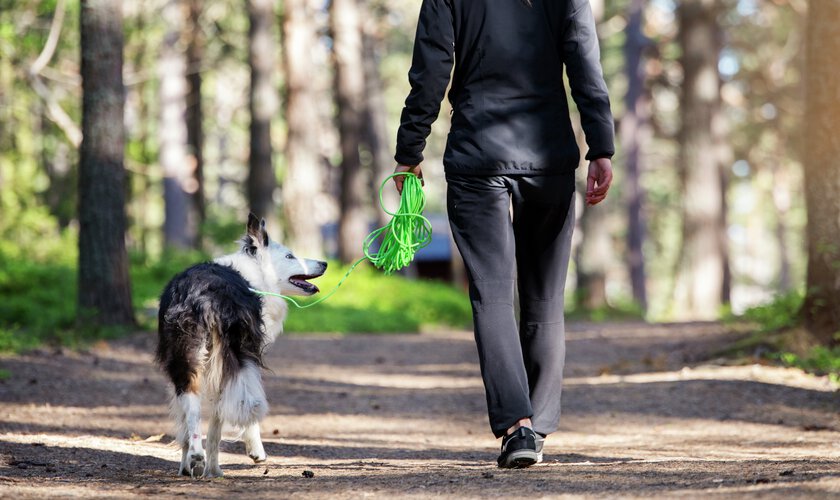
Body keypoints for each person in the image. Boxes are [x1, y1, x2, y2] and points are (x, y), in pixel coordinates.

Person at [393, 0, 615, 468]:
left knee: (492, 295)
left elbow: (430, 66)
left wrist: (409, 150)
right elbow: (584, 61)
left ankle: (518, 428)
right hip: (549, 154)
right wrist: (601, 145)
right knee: (544, 297)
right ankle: (538, 424)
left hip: (477, 152)